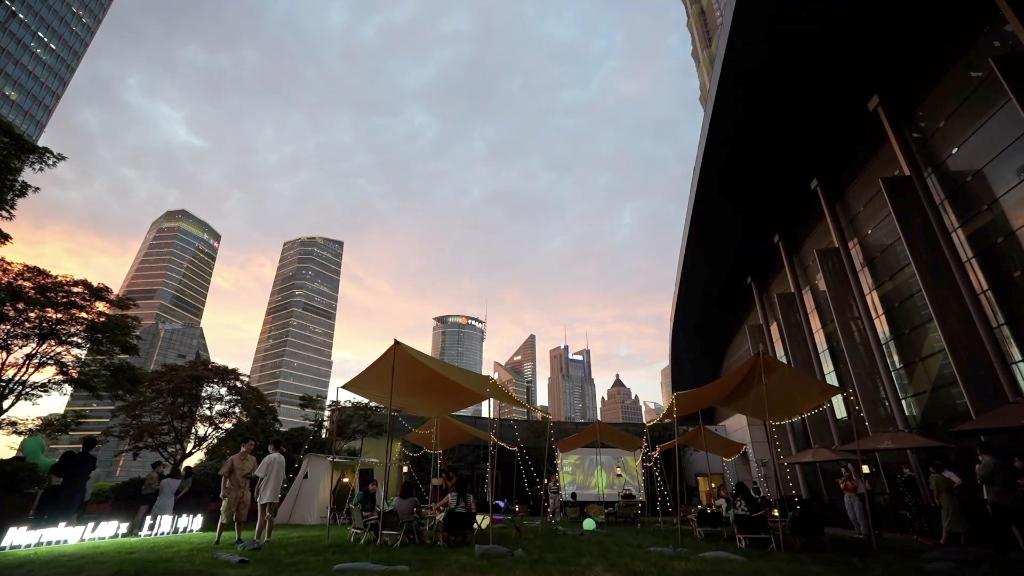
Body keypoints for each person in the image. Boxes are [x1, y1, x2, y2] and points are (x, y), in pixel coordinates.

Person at [215, 436, 257, 547]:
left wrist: (250, 476)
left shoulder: (253, 460)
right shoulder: (233, 459)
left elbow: (255, 474)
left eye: (253, 445)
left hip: (245, 492)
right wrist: (223, 491)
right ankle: (217, 539)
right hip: (232, 491)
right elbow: (224, 475)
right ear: (243, 445)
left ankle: (238, 538)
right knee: (225, 516)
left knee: (241, 517)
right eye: (250, 445)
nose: (252, 447)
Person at [976, 440, 1017, 552]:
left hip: (996, 498)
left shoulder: (988, 463)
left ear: (979, 451)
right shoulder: (998, 461)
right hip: (1005, 496)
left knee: (999, 524)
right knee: (1006, 523)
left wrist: (977, 468)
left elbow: (981, 479)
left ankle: (1002, 549)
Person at [252, 438, 287, 548]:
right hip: (275, 490)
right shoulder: (282, 458)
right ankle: (268, 538)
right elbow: (283, 476)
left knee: (261, 516)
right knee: (270, 516)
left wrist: (256, 488)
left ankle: (256, 539)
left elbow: (261, 475)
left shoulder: (269, 458)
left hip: (265, 488)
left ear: (271, 446)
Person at [58, 436, 97, 520]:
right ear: (93, 447)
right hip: (80, 486)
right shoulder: (92, 459)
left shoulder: (74, 457)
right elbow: (91, 469)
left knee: (62, 506)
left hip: (67, 484)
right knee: (73, 507)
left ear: (83, 445)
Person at [929, 461, 965, 545]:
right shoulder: (942, 476)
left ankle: (944, 540)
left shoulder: (936, 477)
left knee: (947, 519)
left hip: (945, 499)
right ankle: (961, 539)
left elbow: (935, 490)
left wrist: (936, 499)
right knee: (956, 518)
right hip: (950, 498)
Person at [896, 463, 928, 542]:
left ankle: (917, 530)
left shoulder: (908, 478)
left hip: (911, 497)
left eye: (904, 469)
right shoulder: (912, 476)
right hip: (914, 497)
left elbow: (903, 487)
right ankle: (919, 529)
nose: (903, 471)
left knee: (913, 513)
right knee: (916, 513)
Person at [133, 460, 165, 531]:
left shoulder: (151, 474)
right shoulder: (154, 475)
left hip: (146, 495)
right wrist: (161, 487)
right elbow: (153, 486)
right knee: (142, 512)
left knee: (141, 512)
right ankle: (137, 529)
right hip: (149, 495)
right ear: (158, 467)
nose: (162, 469)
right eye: (161, 467)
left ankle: (136, 528)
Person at [838, 467, 867, 537]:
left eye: (846, 472)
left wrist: (850, 470)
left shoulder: (855, 479)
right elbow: (842, 487)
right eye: (843, 473)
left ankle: (864, 532)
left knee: (859, 515)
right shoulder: (842, 480)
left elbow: (854, 487)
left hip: (855, 496)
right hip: (847, 498)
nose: (845, 474)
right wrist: (844, 480)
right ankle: (858, 532)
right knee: (851, 516)